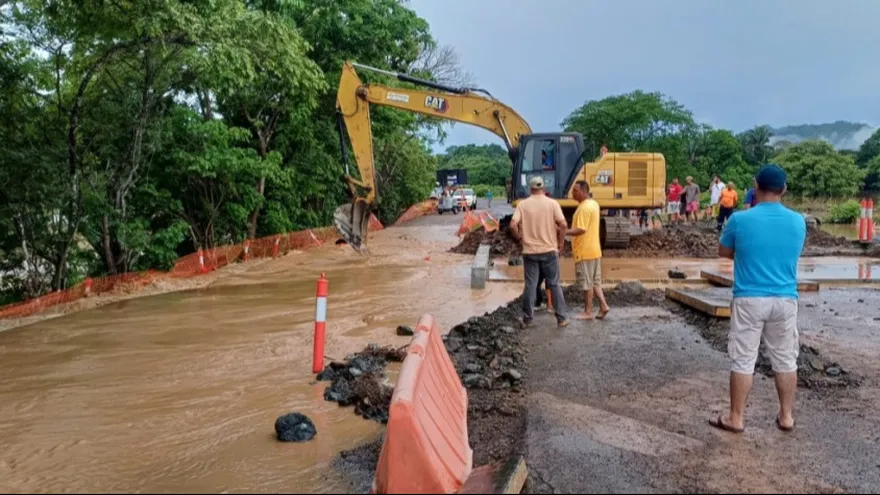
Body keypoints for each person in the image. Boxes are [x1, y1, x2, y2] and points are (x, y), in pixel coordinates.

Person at [710, 164, 806, 434]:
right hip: (785, 299)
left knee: (743, 359)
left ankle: (736, 418)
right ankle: (786, 416)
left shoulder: (739, 220)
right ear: (784, 189)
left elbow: (723, 252)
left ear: (755, 186)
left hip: (749, 298)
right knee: (786, 359)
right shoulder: (798, 221)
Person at [509, 176, 569, 327]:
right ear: (544, 188)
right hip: (549, 250)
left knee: (531, 284)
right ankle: (561, 318)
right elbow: (563, 224)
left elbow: (512, 225)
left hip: (530, 252)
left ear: (530, 188)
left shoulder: (523, 205)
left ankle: (528, 319)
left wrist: (519, 239)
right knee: (554, 284)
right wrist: (561, 242)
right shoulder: (552, 204)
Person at [567, 181, 609, 320]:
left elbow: (581, 229)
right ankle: (604, 306)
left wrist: (564, 231)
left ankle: (588, 312)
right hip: (595, 250)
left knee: (587, 283)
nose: (573, 193)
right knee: (595, 282)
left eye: (576, 190)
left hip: (584, 251)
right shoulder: (594, 204)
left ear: (584, 191)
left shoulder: (583, 209)